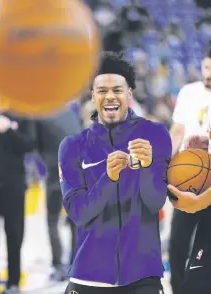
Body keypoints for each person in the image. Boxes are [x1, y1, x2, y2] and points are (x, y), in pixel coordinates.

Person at [58, 51, 172, 294]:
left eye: (117, 90)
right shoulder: (72, 146)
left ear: (129, 94)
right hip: (89, 277)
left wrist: (146, 168)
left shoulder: (155, 135)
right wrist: (108, 179)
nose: (110, 96)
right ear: (93, 96)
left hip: (143, 275)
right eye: (102, 90)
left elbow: (155, 203)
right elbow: (79, 213)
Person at [168, 46, 211, 294]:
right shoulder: (189, 93)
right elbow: (178, 131)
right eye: (206, 68)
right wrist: (167, 158)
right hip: (187, 177)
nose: (208, 74)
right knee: (177, 242)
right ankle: (176, 288)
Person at [0, 102, 36, 294]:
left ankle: (13, 282)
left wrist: (9, 129)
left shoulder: (22, 114)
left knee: (14, 235)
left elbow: (30, 144)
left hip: (14, 188)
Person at [35, 108, 82, 281]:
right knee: (74, 221)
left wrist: (47, 163)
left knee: (53, 220)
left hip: (55, 173)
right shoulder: (69, 112)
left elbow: (34, 143)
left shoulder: (40, 114)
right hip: (76, 173)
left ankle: (57, 265)